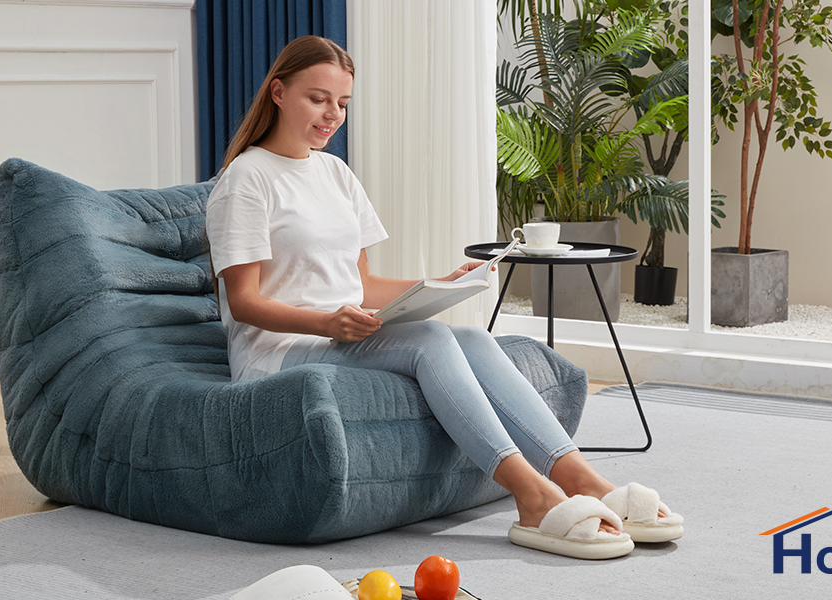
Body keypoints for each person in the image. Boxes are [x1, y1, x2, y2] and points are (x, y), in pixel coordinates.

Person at [204, 35, 683, 560]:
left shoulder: (335, 173)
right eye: (317, 99)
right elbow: (244, 303)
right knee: (431, 339)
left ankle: (582, 478)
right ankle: (531, 496)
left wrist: (440, 283)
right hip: (277, 350)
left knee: (474, 338)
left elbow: (360, 286)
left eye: (342, 103)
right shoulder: (246, 179)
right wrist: (327, 323)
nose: (332, 115)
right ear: (278, 91)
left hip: (341, 332)